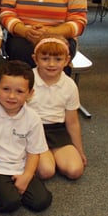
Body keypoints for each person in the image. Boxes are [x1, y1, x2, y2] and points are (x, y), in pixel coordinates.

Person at [0, 60, 52, 213]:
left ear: (30, 93)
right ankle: (2, 192)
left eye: (19, 91)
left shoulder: (33, 118)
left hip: (20, 166)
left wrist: (26, 176)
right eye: (6, 89)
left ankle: (12, 190)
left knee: (41, 202)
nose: (11, 96)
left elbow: (34, 152)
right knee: (10, 204)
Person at [27, 36, 87, 180]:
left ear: (67, 60)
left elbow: (72, 121)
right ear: (35, 59)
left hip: (57, 130)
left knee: (75, 171)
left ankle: (53, 153)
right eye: (45, 59)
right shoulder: (28, 79)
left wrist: (79, 150)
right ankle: (46, 156)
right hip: (33, 131)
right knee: (46, 171)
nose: (51, 64)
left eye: (58, 59)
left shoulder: (70, 85)